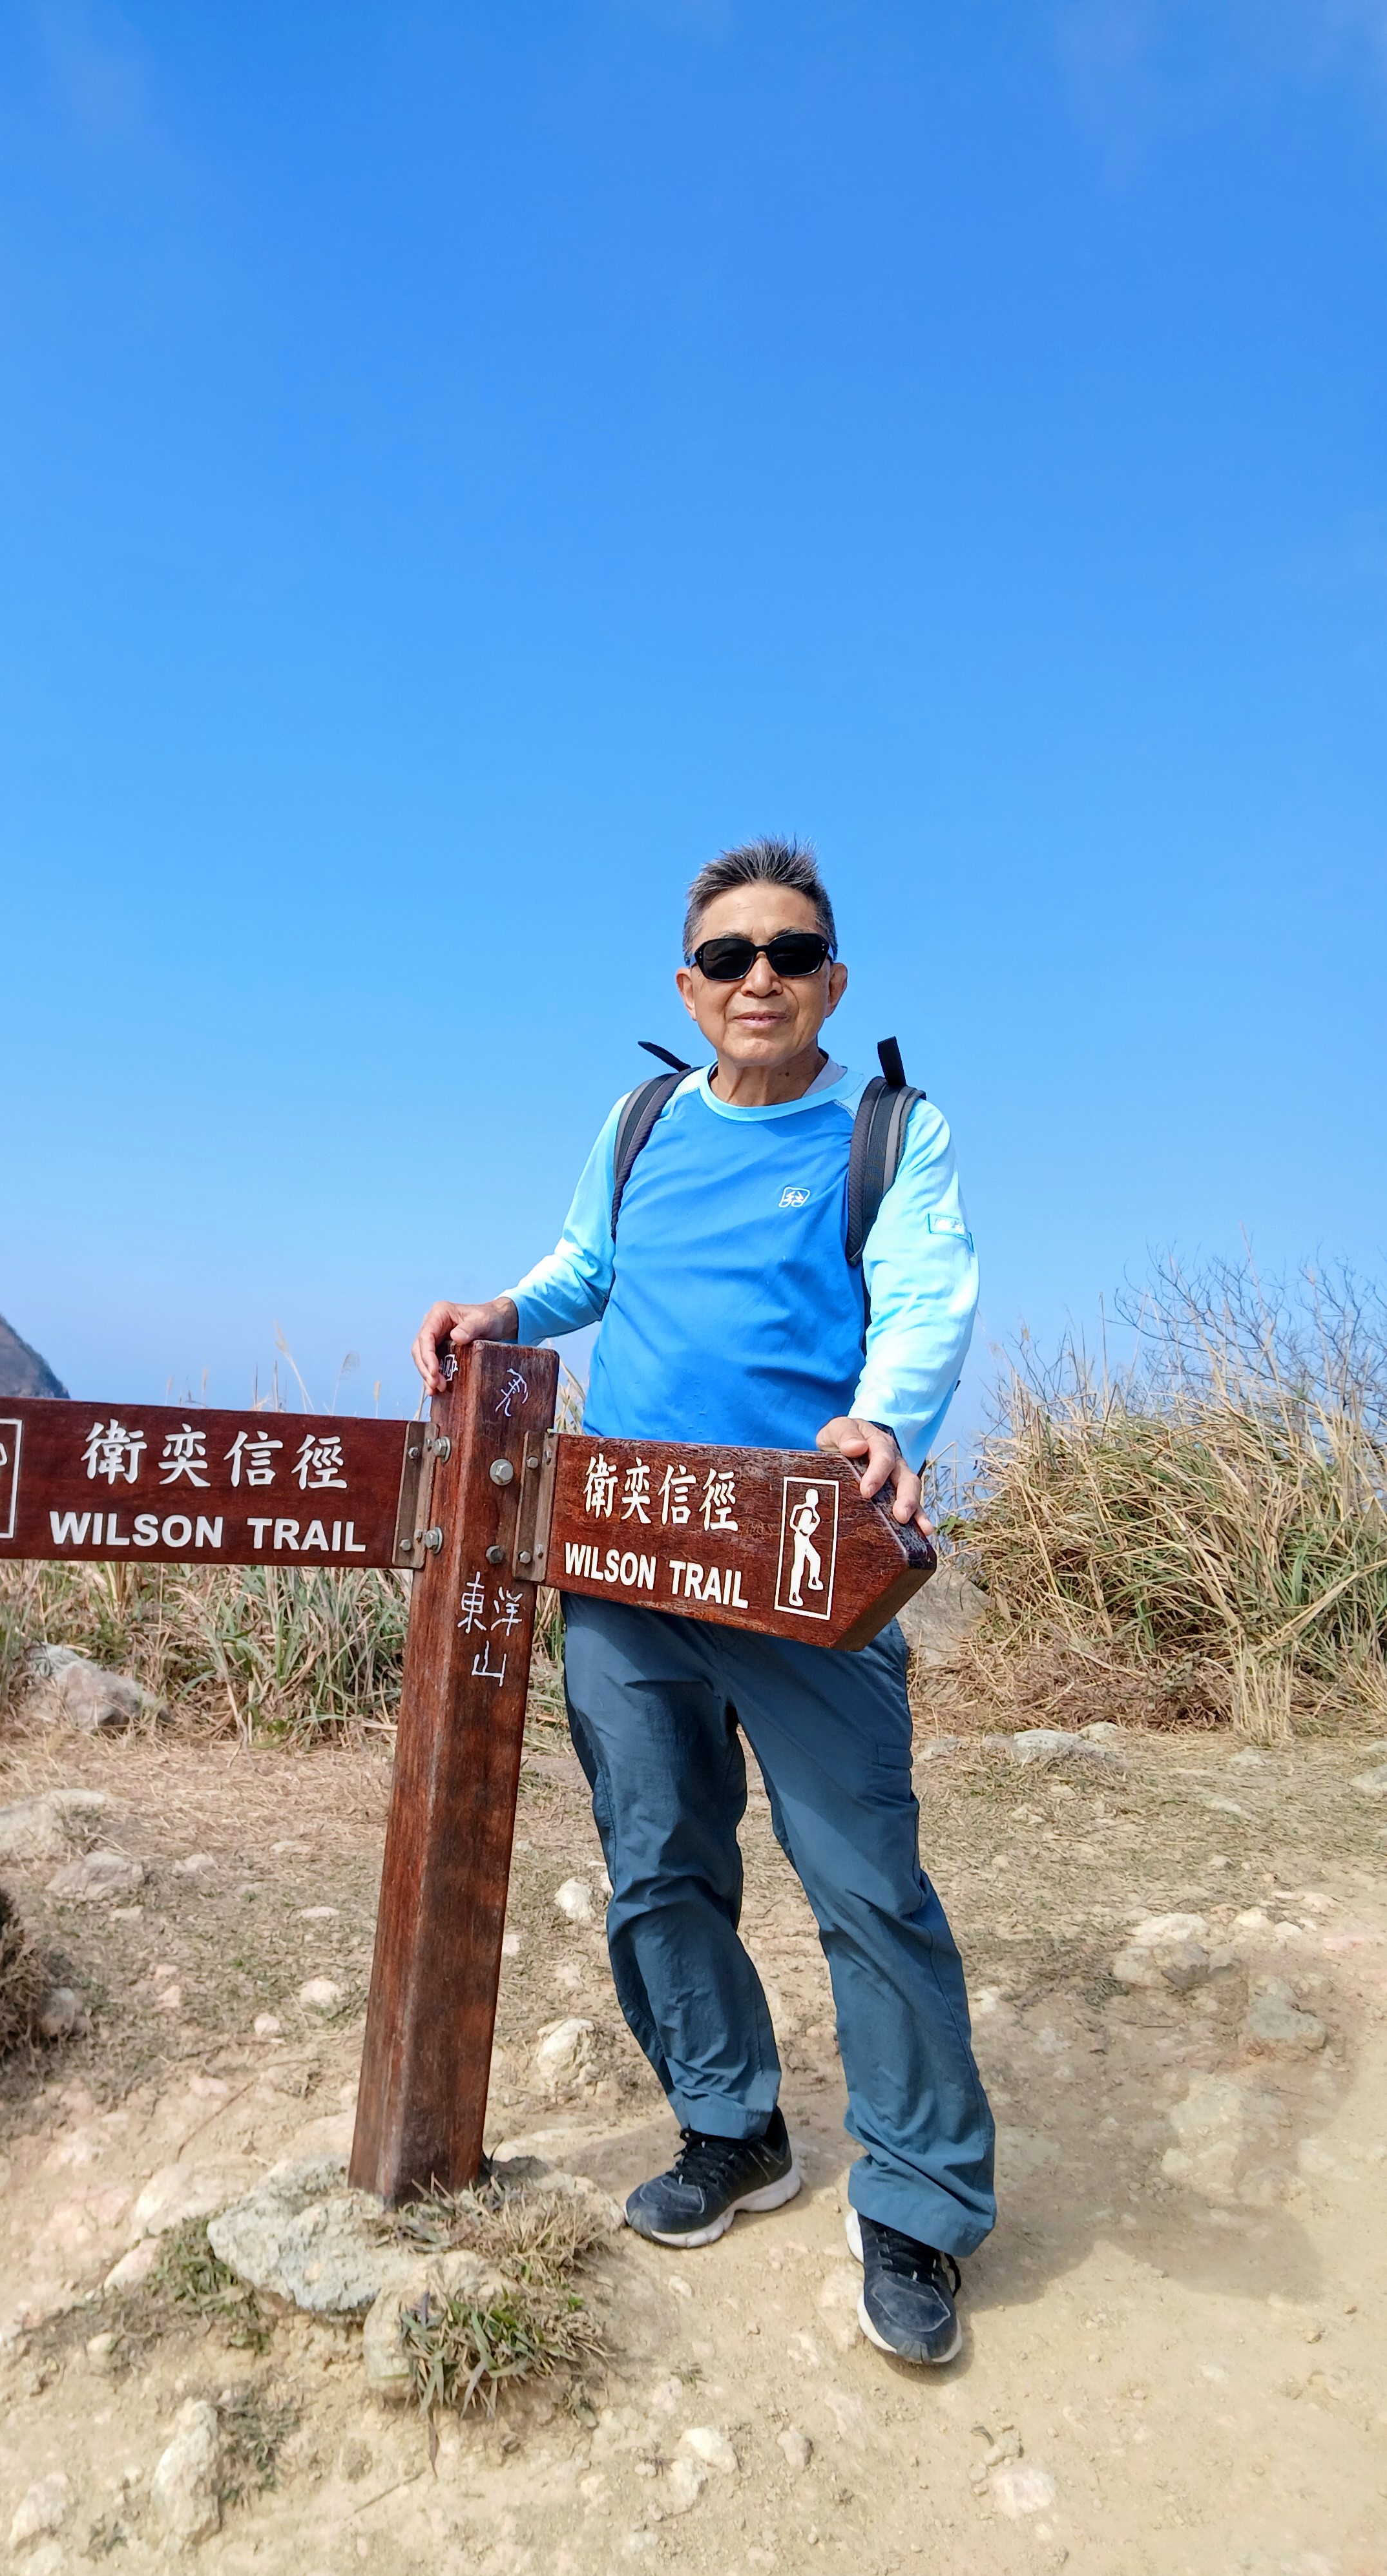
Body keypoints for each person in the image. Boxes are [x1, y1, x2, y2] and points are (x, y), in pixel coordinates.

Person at [410, 836, 992, 2366]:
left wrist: (888, 1419)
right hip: (622, 1556)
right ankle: (732, 2128)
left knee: (867, 1887)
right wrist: (505, 1308)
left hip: (805, 1560)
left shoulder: (890, 1130)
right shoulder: (643, 1121)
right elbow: (587, 1264)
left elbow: (926, 1294)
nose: (760, 979)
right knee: (659, 1864)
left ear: (833, 982)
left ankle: (920, 2204)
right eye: (730, 957)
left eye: (791, 954)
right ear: (689, 986)